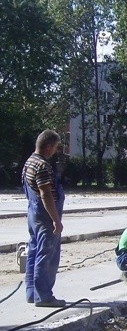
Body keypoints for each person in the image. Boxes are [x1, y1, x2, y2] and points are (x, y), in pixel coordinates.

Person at [22, 130, 66, 307]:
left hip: (33, 214)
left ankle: (32, 292)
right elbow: (46, 194)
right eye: (55, 147)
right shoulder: (43, 166)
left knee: (33, 251)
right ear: (48, 146)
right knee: (47, 255)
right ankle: (44, 296)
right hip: (46, 215)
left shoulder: (29, 162)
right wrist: (56, 220)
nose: (55, 151)